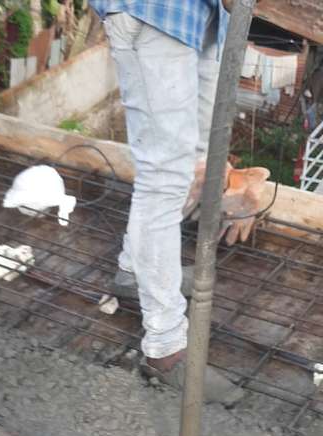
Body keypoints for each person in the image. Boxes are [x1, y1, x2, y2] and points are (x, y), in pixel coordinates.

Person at [89, 1, 264, 406]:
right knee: (164, 175)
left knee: (186, 164)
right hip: (155, 9)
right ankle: (165, 349)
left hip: (203, 15)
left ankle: (133, 273)